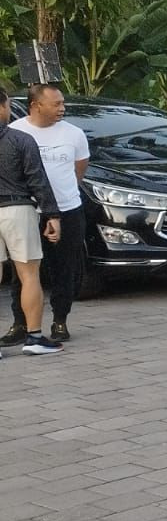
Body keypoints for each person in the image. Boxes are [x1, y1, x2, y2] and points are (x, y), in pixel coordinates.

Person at [5, 83, 87, 344]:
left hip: (67, 210)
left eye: (63, 103)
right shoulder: (16, 132)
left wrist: (61, 198)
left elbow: (79, 170)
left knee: (64, 268)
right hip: (27, 211)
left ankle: (60, 320)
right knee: (23, 271)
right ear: (36, 105)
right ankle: (21, 323)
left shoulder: (74, 134)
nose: (62, 108)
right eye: (56, 104)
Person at [0, 86, 64, 357]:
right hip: (17, 208)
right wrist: (52, 215)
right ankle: (34, 338)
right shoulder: (20, 139)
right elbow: (38, 180)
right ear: (2, 107)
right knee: (28, 274)